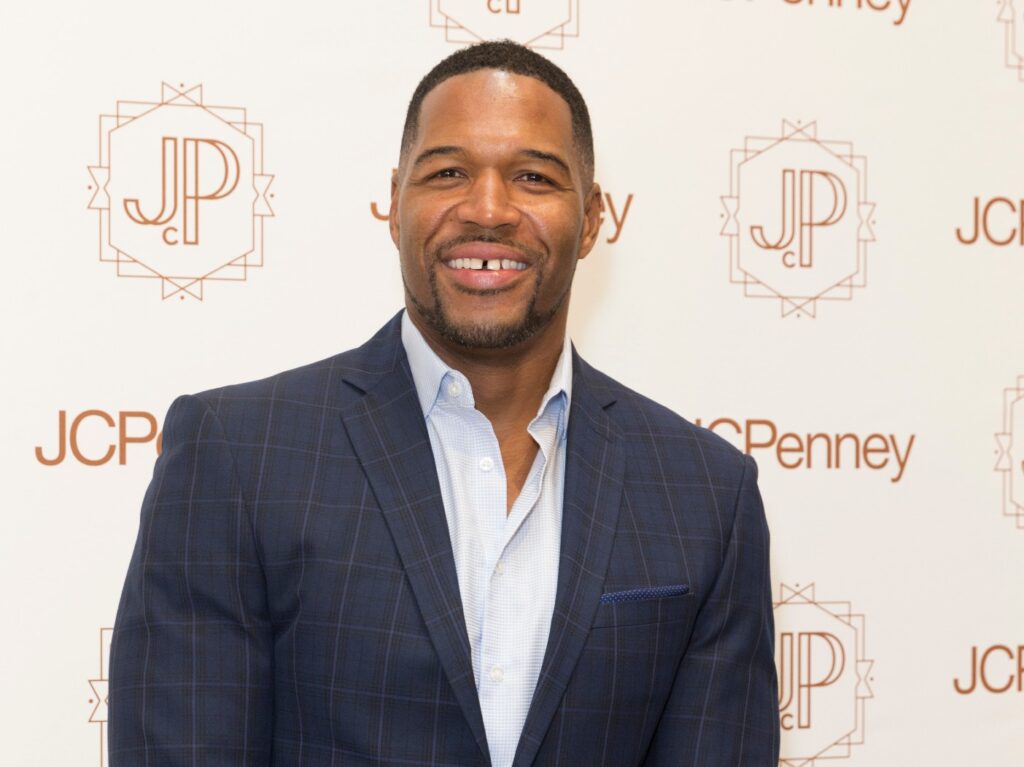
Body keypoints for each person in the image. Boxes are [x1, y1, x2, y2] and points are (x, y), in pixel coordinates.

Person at [109, 40, 779, 766]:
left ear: (591, 222)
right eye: (449, 172)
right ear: (395, 205)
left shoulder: (707, 494)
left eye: (533, 176)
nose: (488, 210)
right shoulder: (238, 457)